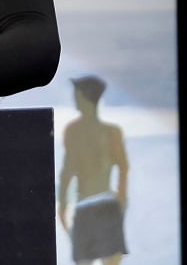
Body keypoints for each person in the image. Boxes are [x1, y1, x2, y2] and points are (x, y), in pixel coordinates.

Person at [58, 75, 130, 264]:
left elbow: (67, 173)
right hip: (101, 205)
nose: (74, 97)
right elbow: (123, 168)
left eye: (77, 93)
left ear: (84, 96)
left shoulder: (76, 132)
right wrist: (121, 200)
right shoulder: (108, 132)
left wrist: (63, 205)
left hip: (93, 206)